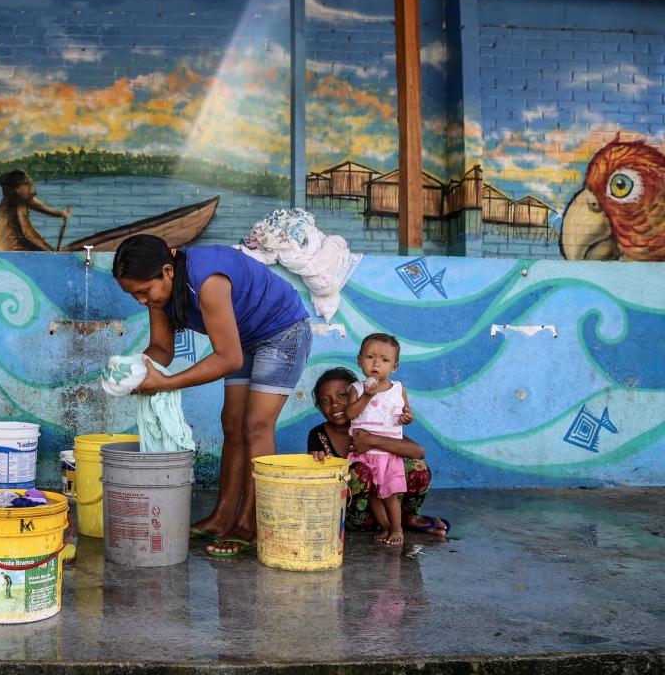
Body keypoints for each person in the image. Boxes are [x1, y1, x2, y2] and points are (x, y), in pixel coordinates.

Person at [112, 234, 311, 558]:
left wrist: (168, 383)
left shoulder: (208, 280)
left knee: (256, 425)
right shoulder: (160, 295)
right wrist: (132, 371)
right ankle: (222, 517)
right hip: (243, 337)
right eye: (133, 295)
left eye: (143, 292)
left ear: (167, 271)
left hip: (282, 332)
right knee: (232, 422)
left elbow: (227, 358)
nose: (141, 301)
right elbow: (161, 349)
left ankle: (250, 523)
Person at [307, 366, 449, 539]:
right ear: (319, 406)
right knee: (359, 472)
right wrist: (317, 463)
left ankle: (406, 518)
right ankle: (394, 524)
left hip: (388, 506)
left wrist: (373, 440)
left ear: (357, 394)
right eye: (324, 400)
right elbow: (317, 482)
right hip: (351, 516)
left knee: (417, 468)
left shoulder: (374, 423)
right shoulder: (318, 435)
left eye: (342, 395)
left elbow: (418, 452)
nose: (335, 403)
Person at [342, 333, 413, 546]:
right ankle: (384, 526)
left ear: (394, 367)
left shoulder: (398, 389)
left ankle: (397, 528)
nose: (376, 363)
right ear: (359, 360)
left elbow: (405, 413)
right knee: (374, 494)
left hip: (388, 454)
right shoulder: (356, 389)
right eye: (370, 357)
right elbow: (351, 414)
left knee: (390, 495)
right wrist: (367, 396)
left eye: (384, 360)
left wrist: (407, 417)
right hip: (363, 455)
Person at [0, 169, 71, 251]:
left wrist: (61, 213)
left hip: (11, 251)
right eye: (27, 184)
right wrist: (50, 251)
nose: (33, 190)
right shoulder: (18, 202)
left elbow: (40, 206)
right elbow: (28, 233)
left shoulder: (16, 198)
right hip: (12, 253)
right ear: (17, 188)